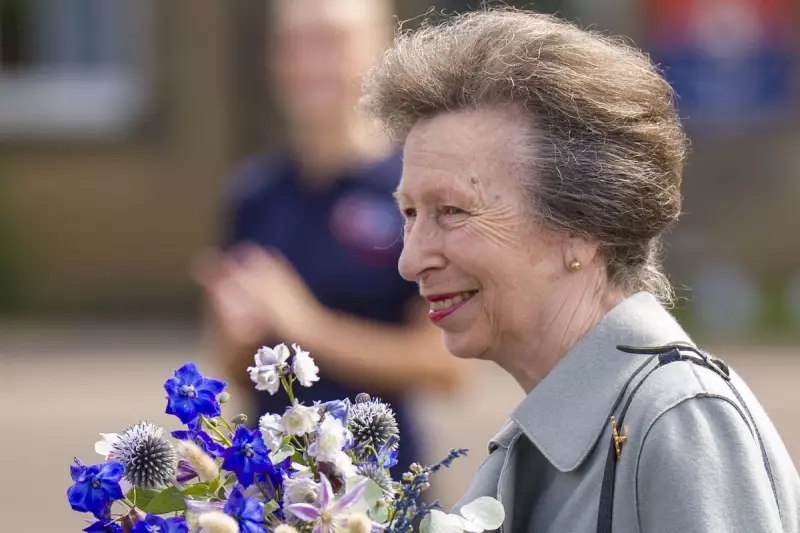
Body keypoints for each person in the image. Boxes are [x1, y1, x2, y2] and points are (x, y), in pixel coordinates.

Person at [360, 8, 800, 533]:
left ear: (583, 227)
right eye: (410, 214)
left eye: (453, 211)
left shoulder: (679, 420)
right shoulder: (525, 452)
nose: (411, 260)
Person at [196, 0, 464, 479]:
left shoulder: (418, 189)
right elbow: (233, 369)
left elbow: (445, 368)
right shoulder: (254, 194)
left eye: (331, 42)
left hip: (381, 489)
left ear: (380, 52)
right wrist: (242, 336)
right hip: (271, 487)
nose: (309, 62)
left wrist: (305, 325)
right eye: (293, 44)